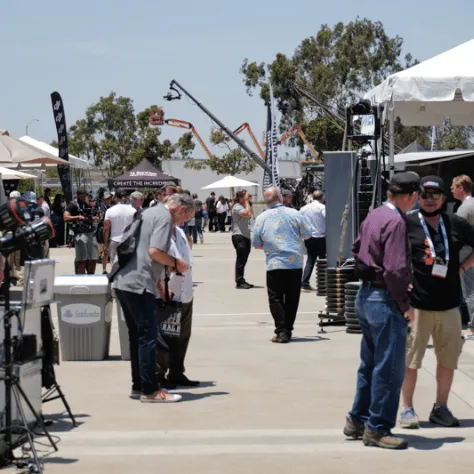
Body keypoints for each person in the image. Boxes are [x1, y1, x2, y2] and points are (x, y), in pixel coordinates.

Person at [345, 172, 419, 450]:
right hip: (384, 299)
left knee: (370, 364)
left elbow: (355, 248)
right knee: (389, 369)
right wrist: (406, 306)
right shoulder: (397, 221)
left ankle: (357, 419)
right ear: (411, 196)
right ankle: (377, 429)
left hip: (365, 295)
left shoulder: (374, 215)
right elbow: (396, 269)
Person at [399, 176, 474, 429]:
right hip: (417, 306)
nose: (429, 199)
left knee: (447, 361)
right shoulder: (407, 223)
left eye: (435, 195)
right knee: (410, 361)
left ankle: (440, 408)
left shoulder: (456, 223)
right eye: (425, 194)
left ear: (444, 198)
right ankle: (407, 409)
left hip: (450, 305)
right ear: (418, 197)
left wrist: (463, 267)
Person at [113, 193, 193, 403]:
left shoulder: (149, 212)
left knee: (136, 336)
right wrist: (178, 264)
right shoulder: (165, 217)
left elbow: (144, 255)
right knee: (148, 336)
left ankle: (138, 385)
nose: (181, 223)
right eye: (184, 219)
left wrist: (159, 286)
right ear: (181, 209)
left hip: (123, 280)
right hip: (138, 284)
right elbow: (155, 252)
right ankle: (150, 390)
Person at [252, 187, 312, 343]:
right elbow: (308, 233)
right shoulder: (295, 213)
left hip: (274, 262)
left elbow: (256, 243)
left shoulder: (262, 218)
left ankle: (281, 330)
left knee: (275, 297)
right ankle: (287, 329)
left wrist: (270, 246)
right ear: (280, 197)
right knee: (292, 298)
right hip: (294, 262)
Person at [156, 204, 199, 389]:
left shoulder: (179, 232)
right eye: (185, 216)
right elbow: (154, 260)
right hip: (168, 291)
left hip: (185, 291)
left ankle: (176, 372)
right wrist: (160, 287)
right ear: (179, 210)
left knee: (182, 335)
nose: (186, 221)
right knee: (165, 335)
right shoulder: (160, 232)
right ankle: (159, 374)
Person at [452, 174, 474, 339]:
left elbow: (455, 235)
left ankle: (472, 329)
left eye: (453, 187)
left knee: (470, 290)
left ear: (460, 188)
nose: (451, 190)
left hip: (467, 254)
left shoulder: (464, 208)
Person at [64, 189, 99, 274]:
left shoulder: (86, 204)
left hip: (90, 233)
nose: (84, 198)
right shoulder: (72, 205)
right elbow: (65, 218)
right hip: (80, 234)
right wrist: (77, 217)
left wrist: (94, 218)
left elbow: (88, 217)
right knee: (82, 259)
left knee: (93, 258)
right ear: (78, 196)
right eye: (82, 196)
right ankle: (81, 278)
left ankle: (91, 277)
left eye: (85, 196)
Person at [299, 190, 326, 291]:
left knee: (310, 259)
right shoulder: (322, 208)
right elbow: (328, 219)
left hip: (309, 237)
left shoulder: (303, 208)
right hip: (321, 237)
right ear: (322, 197)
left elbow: (299, 220)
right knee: (323, 260)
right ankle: (323, 283)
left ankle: (305, 282)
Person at [103, 189, 137, 265]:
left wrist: (105, 245)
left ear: (116, 198)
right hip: (128, 241)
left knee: (115, 266)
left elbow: (106, 229)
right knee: (127, 266)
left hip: (115, 240)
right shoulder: (133, 210)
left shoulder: (110, 210)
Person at [232, 190, 253, 289]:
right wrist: (247, 203)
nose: (249, 198)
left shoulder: (244, 206)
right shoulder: (237, 207)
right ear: (241, 198)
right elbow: (246, 213)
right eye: (247, 196)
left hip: (245, 235)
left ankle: (242, 279)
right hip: (239, 236)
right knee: (240, 260)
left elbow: (250, 215)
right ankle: (239, 281)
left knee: (244, 259)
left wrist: (247, 203)